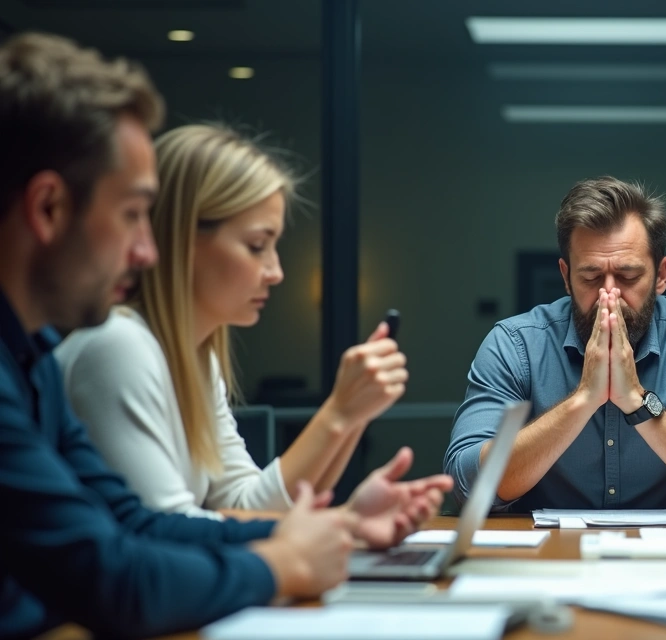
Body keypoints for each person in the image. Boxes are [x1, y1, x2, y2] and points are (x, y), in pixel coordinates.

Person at [0, 32, 445, 638]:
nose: (144, 249)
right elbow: (121, 574)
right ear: (49, 209)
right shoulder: (109, 347)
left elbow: (142, 523)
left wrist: (333, 527)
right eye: (131, 215)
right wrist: (283, 560)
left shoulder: (36, 360)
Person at [55, 123, 446, 518]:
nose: (275, 271)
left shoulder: (196, 360)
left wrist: (352, 415)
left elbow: (243, 503)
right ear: (183, 239)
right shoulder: (117, 348)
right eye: (257, 246)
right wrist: (338, 417)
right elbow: (167, 532)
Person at [445, 177, 666, 515]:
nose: (608, 296)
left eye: (628, 277)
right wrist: (584, 399)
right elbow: (467, 486)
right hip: (551, 559)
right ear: (566, 277)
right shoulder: (514, 344)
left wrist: (638, 403)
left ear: (661, 275)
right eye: (591, 277)